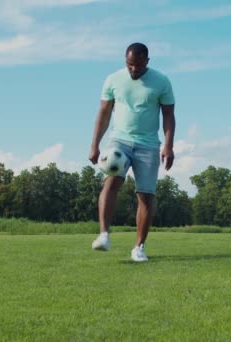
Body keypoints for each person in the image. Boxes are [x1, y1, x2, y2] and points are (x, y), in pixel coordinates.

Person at [88, 42, 176, 262]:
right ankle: (104, 235)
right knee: (112, 181)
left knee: (146, 196)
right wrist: (94, 144)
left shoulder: (162, 81)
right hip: (120, 140)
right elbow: (104, 113)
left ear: (147, 61)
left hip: (148, 145)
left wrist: (168, 145)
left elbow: (168, 116)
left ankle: (139, 248)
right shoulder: (113, 79)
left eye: (138, 65)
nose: (133, 70)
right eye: (129, 65)